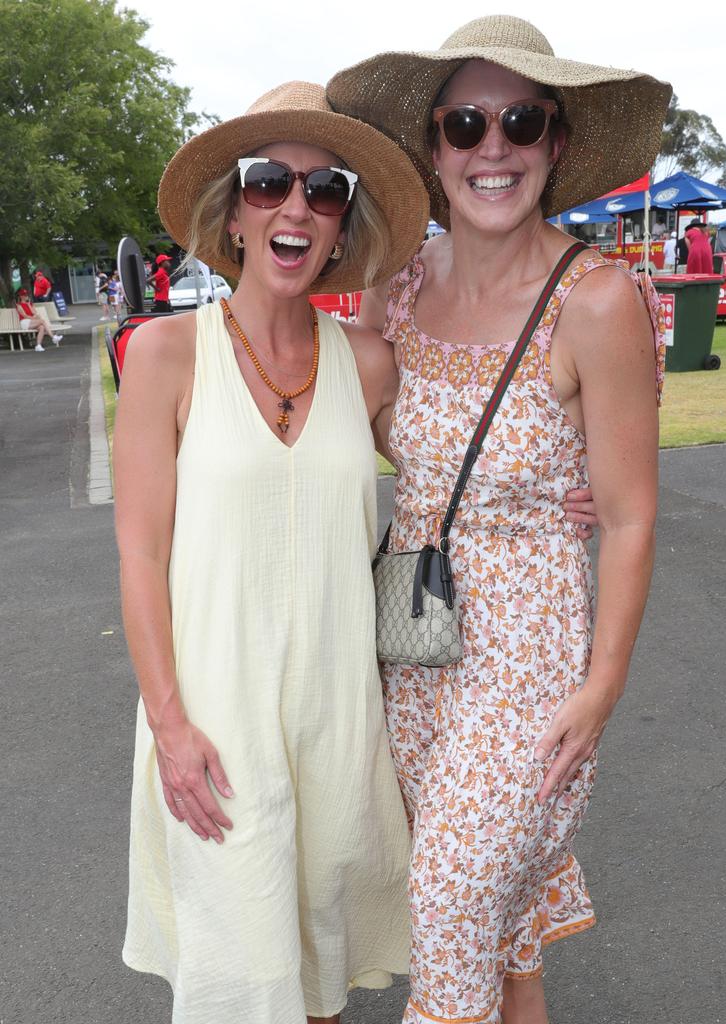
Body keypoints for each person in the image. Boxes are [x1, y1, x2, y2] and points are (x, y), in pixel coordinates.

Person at [328, 16, 669, 1024]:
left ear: (556, 144)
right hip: (414, 639)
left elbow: (636, 514)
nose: (494, 147)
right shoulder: (399, 287)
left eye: (521, 120)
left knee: (446, 901)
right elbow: (398, 437)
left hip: (529, 664)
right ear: (432, 152)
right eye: (466, 123)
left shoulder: (595, 301)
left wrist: (603, 684)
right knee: (495, 935)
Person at [114, 81, 434, 1024]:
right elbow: (139, 554)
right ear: (237, 216)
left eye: (325, 189)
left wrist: (571, 484)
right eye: (269, 182)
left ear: (341, 225)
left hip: (339, 720)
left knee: (321, 978)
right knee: (244, 983)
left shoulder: (367, 362)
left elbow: (458, 463)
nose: (297, 205)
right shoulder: (166, 354)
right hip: (214, 727)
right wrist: (170, 727)